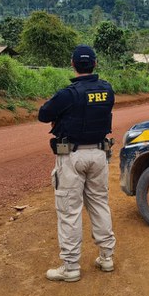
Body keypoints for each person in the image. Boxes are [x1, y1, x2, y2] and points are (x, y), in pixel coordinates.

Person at [38, 45, 116, 282]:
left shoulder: (68, 94)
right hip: (99, 155)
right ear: (95, 63)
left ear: (72, 64)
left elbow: (43, 115)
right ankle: (106, 257)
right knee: (100, 204)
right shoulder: (107, 90)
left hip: (71, 157)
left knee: (69, 212)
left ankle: (71, 267)